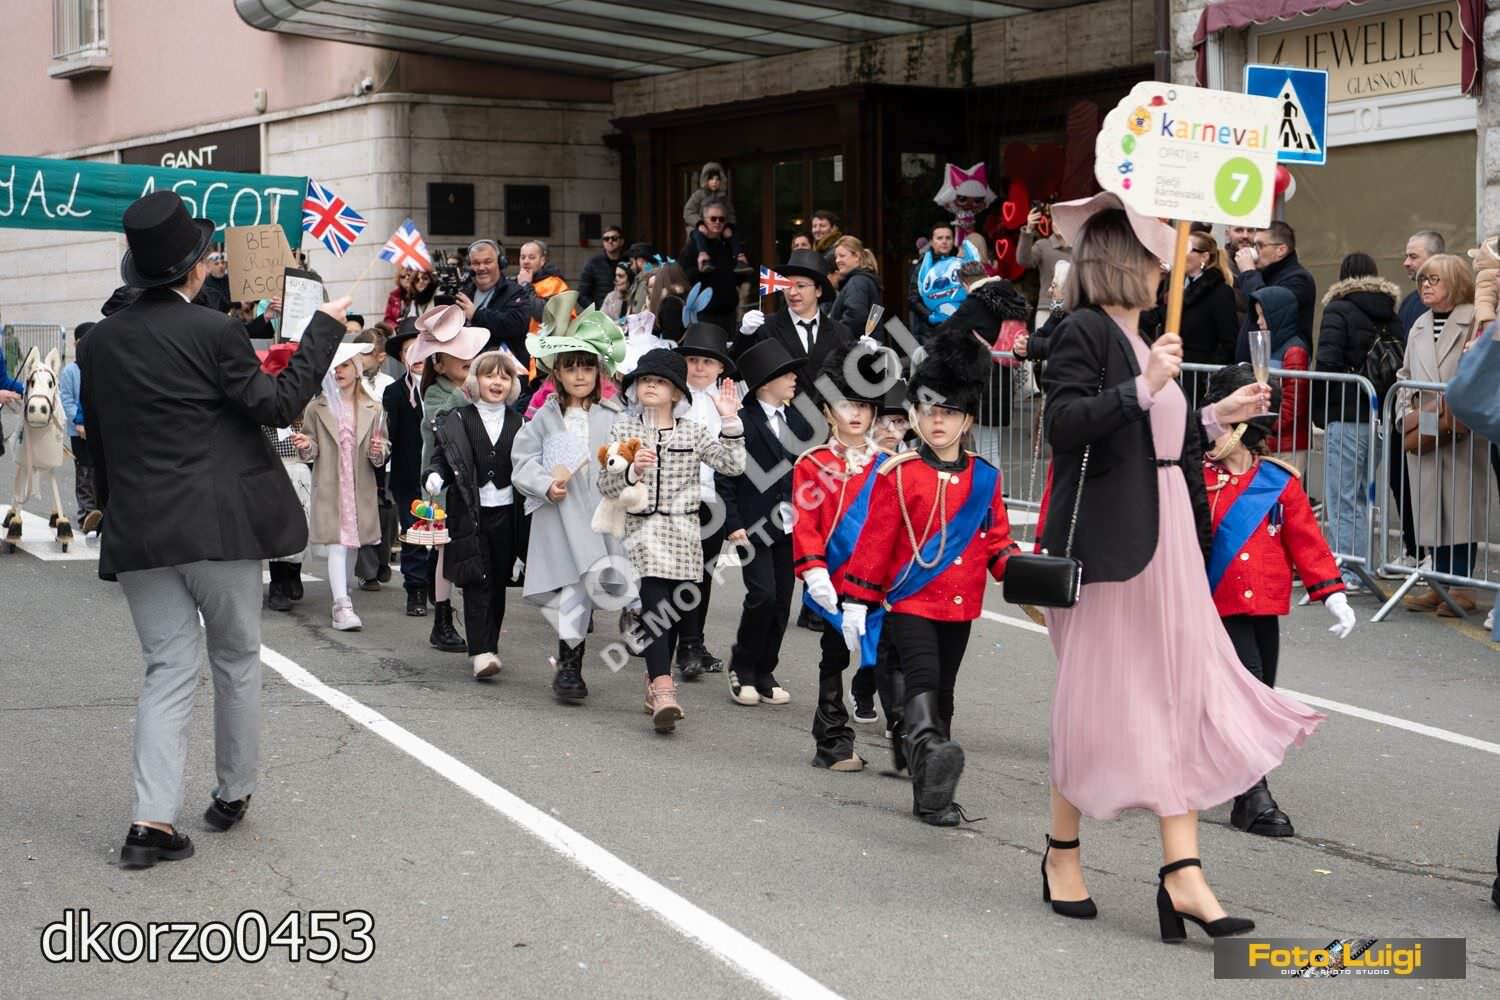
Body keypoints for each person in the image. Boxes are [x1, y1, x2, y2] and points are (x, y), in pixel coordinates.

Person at [1035, 192, 1321, 938]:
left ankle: (1182, 873)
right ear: (1120, 262)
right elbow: (1064, 424)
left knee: (1176, 698)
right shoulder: (1086, 331)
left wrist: (1215, 416)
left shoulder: (1145, 341)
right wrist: (1144, 386)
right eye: (1154, 256)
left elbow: (1160, 442)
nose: (1164, 267)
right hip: (1110, 548)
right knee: (1096, 702)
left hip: (1167, 540)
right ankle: (1062, 853)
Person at [81, 190, 344, 868]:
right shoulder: (215, 332)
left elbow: (100, 444)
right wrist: (323, 330)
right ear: (196, 268)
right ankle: (232, 793)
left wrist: (111, 512)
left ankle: (149, 824)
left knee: (167, 669)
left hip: (141, 529)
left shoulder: (98, 342)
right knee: (235, 658)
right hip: (220, 525)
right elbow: (276, 406)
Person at [1201, 363, 1355, 838]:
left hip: (1263, 607)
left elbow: (1306, 542)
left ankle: (1228, 777)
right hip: (1215, 606)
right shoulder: (1195, 478)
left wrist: (1332, 594)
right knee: (1249, 696)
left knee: (1260, 692)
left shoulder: (1278, 480)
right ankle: (1252, 795)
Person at [599, 349, 745, 731]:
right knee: (654, 601)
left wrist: (730, 421)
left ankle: (653, 684)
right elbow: (605, 485)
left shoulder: (693, 431)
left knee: (672, 609)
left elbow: (733, 465)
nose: (651, 385)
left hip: (685, 530)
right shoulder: (623, 430)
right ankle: (665, 690)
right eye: (645, 380)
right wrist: (632, 471)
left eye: (660, 381)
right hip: (643, 529)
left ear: (677, 392)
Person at [512, 294, 630, 702]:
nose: (580, 376)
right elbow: (522, 460)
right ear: (557, 373)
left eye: (587, 367)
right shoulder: (544, 418)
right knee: (570, 588)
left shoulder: (615, 415)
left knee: (596, 584)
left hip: (601, 512)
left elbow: (628, 458)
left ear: (599, 371)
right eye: (570, 368)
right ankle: (569, 667)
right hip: (560, 513)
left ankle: (632, 634)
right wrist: (545, 483)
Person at [793, 343, 891, 771]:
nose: (855, 413)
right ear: (828, 411)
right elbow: (806, 524)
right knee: (834, 656)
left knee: (891, 658)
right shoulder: (812, 463)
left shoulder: (890, 465)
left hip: (879, 583)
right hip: (833, 580)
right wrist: (815, 573)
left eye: (863, 406)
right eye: (846, 404)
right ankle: (832, 738)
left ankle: (909, 738)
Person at [423, 350, 528, 679]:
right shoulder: (458, 418)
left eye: (504, 377)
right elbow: (443, 456)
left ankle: (490, 646)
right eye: (489, 375)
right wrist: (434, 475)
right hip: (470, 511)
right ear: (475, 380)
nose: (497, 382)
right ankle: (480, 651)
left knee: (498, 581)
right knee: (476, 579)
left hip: (508, 512)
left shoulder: (520, 422)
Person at [716, 339, 808, 708]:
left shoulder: (799, 419)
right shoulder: (742, 421)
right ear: (766, 381)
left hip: (790, 525)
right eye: (786, 373)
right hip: (751, 525)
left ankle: (765, 669)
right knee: (762, 595)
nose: (794, 378)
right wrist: (732, 522)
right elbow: (725, 475)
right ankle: (742, 666)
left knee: (782, 602)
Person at [1398, 253, 1486, 617]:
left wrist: (1455, 405)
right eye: (1423, 280)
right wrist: (1406, 414)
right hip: (1427, 425)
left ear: (1456, 282)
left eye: (1434, 279)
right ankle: (1438, 583)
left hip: (1462, 427)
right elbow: (1404, 376)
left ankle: (1461, 587)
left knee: (1460, 509)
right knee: (1431, 508)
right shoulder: (1419, 323)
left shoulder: (1474, 319)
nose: (1425, 286)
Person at [1314, 253, 1402, 589]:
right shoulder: (1391, 313)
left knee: (1342, 496)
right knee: (1363, 494)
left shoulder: (1338, 309)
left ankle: (1349, 570)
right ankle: (1361, 567)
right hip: (1380, 414)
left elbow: (1327, 363)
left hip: (1346, 412)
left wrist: (1320, 412)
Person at [291, 342, 388, 631]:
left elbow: (381, 451)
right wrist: (306, 445)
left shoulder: (374, 408)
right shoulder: (316, 408)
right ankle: (341, 605)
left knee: (352, 543)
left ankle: (343, 592)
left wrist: (378, 451)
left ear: (357, 369)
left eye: (344, 365)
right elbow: (311, 447)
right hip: (331, 483)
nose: (338, 372)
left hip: (360, 485)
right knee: (338, 542)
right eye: (333, 368)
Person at [413, 304, 490, 652]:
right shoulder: (437, 394)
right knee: (445, 555)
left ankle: (472, 617)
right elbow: (442, 422)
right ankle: (441, 619)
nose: (466, 358)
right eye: (456, 353)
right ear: (439, 364)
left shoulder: (475, 392)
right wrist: (472, 390)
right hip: (442, 486)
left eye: (468, 351)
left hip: (472, 487)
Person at [670, 322, 738, 679]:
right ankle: (676, 641)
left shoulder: (727, 402)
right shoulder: (673, 398)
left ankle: (693, 642)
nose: (698, 367)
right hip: (673, 498)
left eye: (707, 362)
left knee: (703, 575)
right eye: (692, 360)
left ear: (720, 367)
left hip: (712, 499)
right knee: (674, 573)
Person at [735, 249, 852, 398]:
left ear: (818, 290)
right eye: (787, 285)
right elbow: (736, 371)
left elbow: (850, 383)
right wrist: (745, 335)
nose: (792, 292)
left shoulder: (842, 333)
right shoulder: (765, 327)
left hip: (827, 411)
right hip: (783, 411)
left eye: (801, 286)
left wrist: (865, 357)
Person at [382, 320, 434, 617]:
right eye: (408, 351)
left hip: (442, 475)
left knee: (441, 534)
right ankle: (415, 589)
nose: (416, 356)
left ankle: (437, 587)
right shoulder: (395, 392)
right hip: (408, 474)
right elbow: (389, 434)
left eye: (421, 349)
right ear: (401, 358)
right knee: (414, 534)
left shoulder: (444, 388)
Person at [1232, 221, 1315, 364]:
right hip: (1257, 365)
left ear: (1281, 250)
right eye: (1253, 245)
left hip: (1280, 363)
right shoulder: (1265, 275)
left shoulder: (1299, 279)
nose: (1254, 251)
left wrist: (1248, 273)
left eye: (1259, 245)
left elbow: (1267, 306)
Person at [1248, 286, 1311, 472]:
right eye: (1257, 315)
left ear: (1277, 315)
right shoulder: (1271, 347)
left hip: (1286, 445)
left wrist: (1264, 425)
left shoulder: (1294, 350)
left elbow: (1293, 402)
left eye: (1263, 315)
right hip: (1270, 440)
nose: (1259, 321)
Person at [354, 328, 397, 591]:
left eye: (367, 353)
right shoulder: (349, 382)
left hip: (385, 454)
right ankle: (367, 571)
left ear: (381, 357)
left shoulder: (388, 384)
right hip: (359, 457)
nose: (361, 358)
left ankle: (382, 558)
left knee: (387, 511)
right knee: (363, 512)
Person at [455, 239, 532, 365]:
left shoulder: (516, 292)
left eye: (487, 262)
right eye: (476, 263)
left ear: (500, 263)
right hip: (469, 368)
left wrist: (476, 315)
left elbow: (516, 325)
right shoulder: (464, 293)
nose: (481, 268)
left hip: (505, 370)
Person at [57, 322, 101, 532]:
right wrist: (79, 422)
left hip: (99, 430)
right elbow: (66, 399)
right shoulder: (70, 371)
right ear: (76, 344)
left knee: (100, 471)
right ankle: (86, 514)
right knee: (84, 471)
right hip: (79, 432)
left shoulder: (101, 368)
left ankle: (100, 512)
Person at [677, 196, 741, 334]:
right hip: (704, 314)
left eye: (721, 219)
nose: (717, 222)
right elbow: (682, 276)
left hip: (729, 314)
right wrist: (700, 272)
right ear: (703, 221)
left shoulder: (728, 244)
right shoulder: (693, 247)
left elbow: (736, 275)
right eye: (713, 219)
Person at [1179, 231, 1238, 370]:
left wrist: (1209, 375)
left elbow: (1228, 341)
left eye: (1186, 249)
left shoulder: (1221, 292)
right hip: (1179, 369)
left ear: (1204, 256)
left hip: (1201, 372)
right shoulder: (1180, 286)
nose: (1179, 254)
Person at [1020, 206, 1072, 329]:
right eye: (1055, 220)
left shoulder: (1080, 248)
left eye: (1062, 219)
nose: (1057, 223)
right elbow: (1024, 261)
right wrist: (1028, 230)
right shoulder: (1043, 245)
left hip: (1072, 310)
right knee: (1043, 340)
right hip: (1047, 308)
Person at [908, 223, 960, 344]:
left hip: (955, 331)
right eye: (940, 238)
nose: (944, 241)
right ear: (932, 242)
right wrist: (933, 317)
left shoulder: (957, 264)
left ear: (953, 241)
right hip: (930, 333)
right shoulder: (923, 267)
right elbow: (913, 299)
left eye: (948, 238)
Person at [829, 235, 882, 336]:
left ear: (857, 256)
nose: (837, 260)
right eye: (836, 257)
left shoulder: (857, 282)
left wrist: (835, 337)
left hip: (854, 344)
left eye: (842, 256)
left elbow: (855, 318)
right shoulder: (864, 279)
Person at [1399, 230, 1445, 335]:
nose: (1406, 263)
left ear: (1434, 258)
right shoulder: (1409, 301)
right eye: (1407, 257)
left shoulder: (1454, 300)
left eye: (1413, 257)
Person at [578, 225, 626, 309]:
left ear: (621, 241)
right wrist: (597, 311)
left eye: (614, 238)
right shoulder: (593, 264)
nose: (610, 241)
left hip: (625, 313)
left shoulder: (629, 262)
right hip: (601, 312)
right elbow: (582, 295)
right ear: (603, 243)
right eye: (606, 239)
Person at [683, 162, 736, 231]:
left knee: (733, 235)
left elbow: (731, 214)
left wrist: (728, 227)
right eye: (711, 179)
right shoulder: (698, 195)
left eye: (717, 179)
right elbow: (688, 212)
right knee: (698, 235)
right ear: (706, 180)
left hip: (718, 229)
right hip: (699, 228)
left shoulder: (723, 197)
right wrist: (699, 224)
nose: (714, 182)